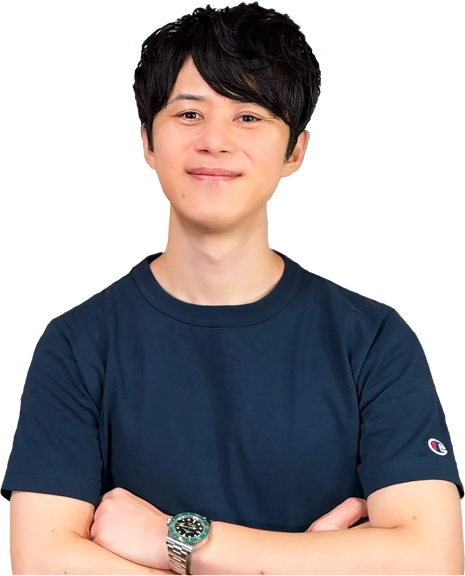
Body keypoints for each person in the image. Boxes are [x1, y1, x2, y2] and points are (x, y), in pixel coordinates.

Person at [3, 2, 463, 575]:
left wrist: (179, 541)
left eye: (249, 116)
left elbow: (430, 560)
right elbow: (41, 561)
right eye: (189, 114)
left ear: (297, 151)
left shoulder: (374, 340)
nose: (215, 141)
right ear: (145, 142)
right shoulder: (74, 344)